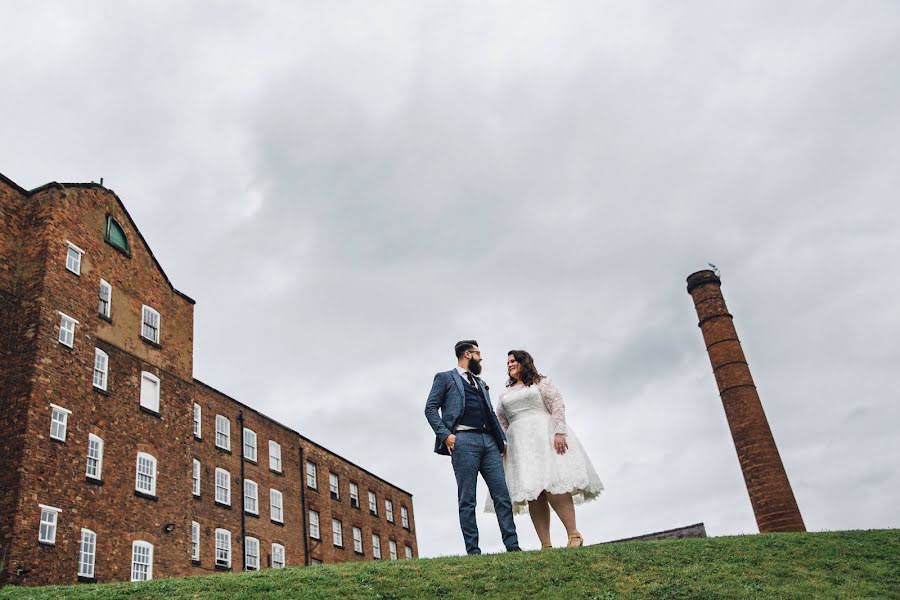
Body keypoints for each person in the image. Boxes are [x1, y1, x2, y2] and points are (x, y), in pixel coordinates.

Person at [490, 349, 604, 548]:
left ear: (524, 362)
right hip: (520, 445)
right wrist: (504, 443)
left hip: (544, 436)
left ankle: (574, 535)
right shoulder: (505, 394)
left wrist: (559, 432)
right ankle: (545, 544)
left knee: (554, 484)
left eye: (513, 361)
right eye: (507, 362)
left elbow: (557, 404)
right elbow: (501, 420)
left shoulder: (541, 382)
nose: (509, 365)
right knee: (534, 493)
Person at [424, 340, 520, 555]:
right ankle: (473, 550)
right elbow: (430, 408)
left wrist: (501, 440)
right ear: (468, 354)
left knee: (502, 495)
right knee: (467, 499)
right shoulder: (445, 378)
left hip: (489, 442)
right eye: (478, 354)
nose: (481, 358)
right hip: (463, 441)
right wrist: (446, 435)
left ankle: (513, 546)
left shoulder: (481, 382)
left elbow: (491, 414)